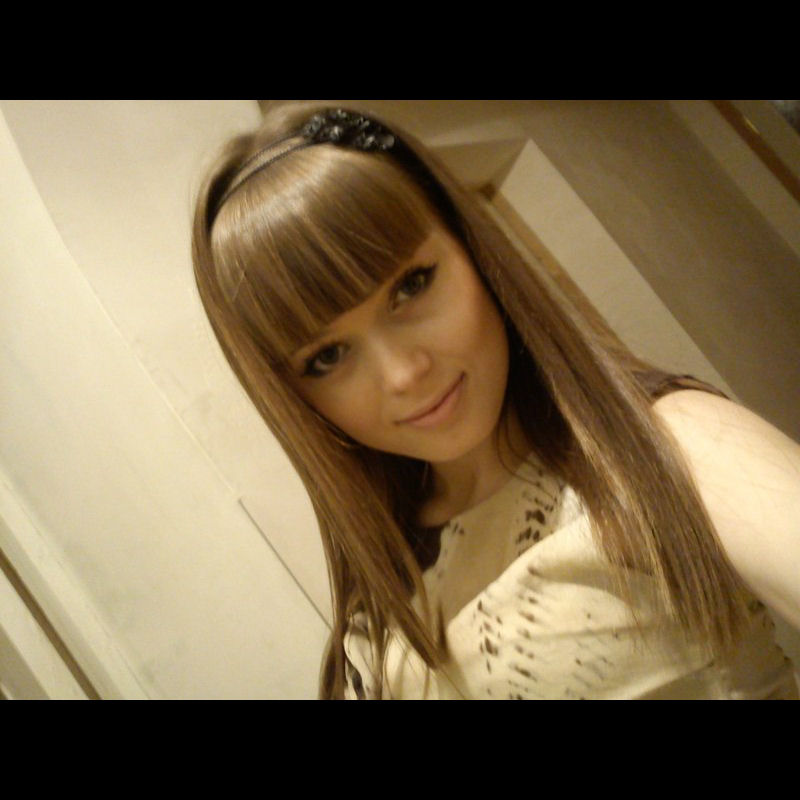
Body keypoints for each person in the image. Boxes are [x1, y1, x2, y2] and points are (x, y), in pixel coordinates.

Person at [192, 102, 800, 699]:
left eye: (411, 286)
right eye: (326, 357)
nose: (403, 374)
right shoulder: (373, 620)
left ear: (472, 250)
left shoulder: (663, 449)